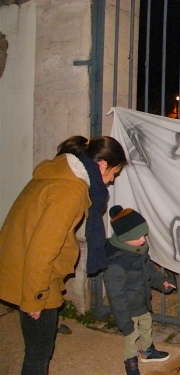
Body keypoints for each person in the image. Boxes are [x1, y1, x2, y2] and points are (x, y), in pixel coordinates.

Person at [0, 135, 127, 375]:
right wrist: (35, 297)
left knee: (36, 341)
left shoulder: (58, 173)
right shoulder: (71, 189)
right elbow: (43, 247)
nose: (110, 181)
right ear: (102, 165)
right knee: (38, 354)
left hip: (19, 264)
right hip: (35, 275)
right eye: (114, 174)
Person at [104, 205, 176, 375]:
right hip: (127, 308)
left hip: (141, 301)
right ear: (124, 238)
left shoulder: (138, 250)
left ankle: (148, 350)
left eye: (144, 235)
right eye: (138, 236)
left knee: (146, 325)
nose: (143, 239)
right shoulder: (116, 263)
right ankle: (130, 361)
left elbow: (149, 270)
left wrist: (162, 282)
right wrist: (124, 321)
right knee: (131, 335)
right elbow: (116, 296)